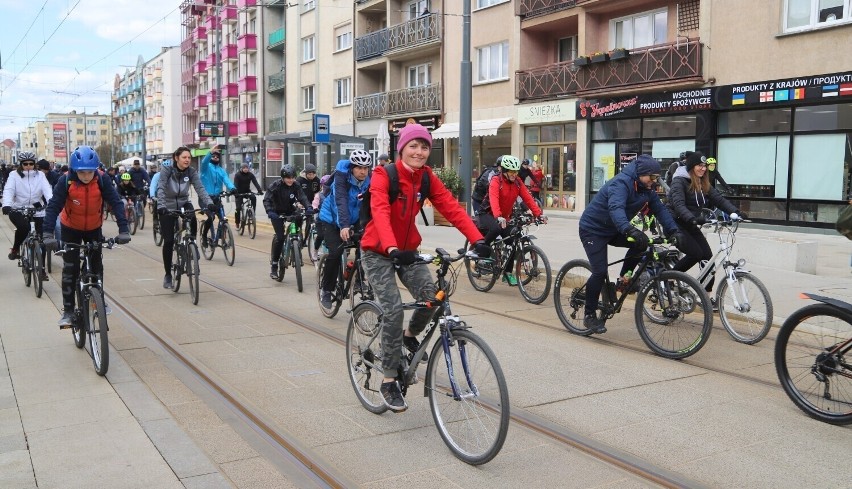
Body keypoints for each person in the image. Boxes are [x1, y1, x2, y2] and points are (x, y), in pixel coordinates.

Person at [360, 123, 490, 412]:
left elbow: (452, 208)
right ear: (402, 148)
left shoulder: (427, 178)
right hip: (378, 251)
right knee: (392, 309)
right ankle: (389, 378)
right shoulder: (384, 175)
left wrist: (477, 239)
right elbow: (380, 211)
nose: (419, 152)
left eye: (424, 146)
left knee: (434, 295)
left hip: (408, 251)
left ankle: (408, 337)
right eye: (413, 146)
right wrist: (392, 248)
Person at [578, 154, 681, 335]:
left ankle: (624, 279)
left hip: (614, 228)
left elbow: (660, 209)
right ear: (641, 173)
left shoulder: (646, 188)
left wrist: (674, 231)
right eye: (652, 177)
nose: (654, 181)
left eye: (657, 178)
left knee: (641, 244)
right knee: (600, 271)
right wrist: (628, 229)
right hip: (593, 229)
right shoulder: (621, 183)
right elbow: (616, 208)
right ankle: (589, 314)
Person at [42, 146, 131, 328]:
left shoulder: (102, 179)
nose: (86, 176)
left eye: (90, 172)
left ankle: (98, 298)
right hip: (70, 228)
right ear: (75, 170)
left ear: (95, 169)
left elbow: (115, 202)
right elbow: (53, 208)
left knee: (96, 264)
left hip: (93, 228)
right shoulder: (65, 181)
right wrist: (47, 233)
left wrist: (123, 229)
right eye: (82, 172)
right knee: (70, 267)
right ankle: (68, 310)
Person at [667, 151, 743, 301]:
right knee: (696, 253)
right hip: (675, 224)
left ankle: (706, 297)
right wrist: (692, 218)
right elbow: (678, 205)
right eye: (699, 166)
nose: (703, 169)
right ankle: (667, 278)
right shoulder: (679, 182)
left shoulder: (702, 183)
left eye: (704, 166)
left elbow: (719, 200)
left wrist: (736, 212)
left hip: (691, 223)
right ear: (691, 166)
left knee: (707, 258)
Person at [478, 155, 547, 286]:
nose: (514, 174)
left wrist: (539, 214)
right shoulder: (496, 180)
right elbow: (493, 199)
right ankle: (483, 252)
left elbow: (528, 199)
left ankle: (507, 274)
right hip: (487, 213)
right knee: (495, 228)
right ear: (504, 170)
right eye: (511, 171)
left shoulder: (517, 182)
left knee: (514, 238)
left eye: (515, 171)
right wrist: (498, 216)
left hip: (504, 217)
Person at [157, 146, 216, 289]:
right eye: (184, 157)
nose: (187, 160)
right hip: (167, 205)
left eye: (189, 158)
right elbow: (161, 187)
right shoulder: (167, 170)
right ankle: (168, 275)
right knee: (169, 241)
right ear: (176, 158)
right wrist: (161, 205)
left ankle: (192, 245)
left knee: (193, 217)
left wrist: (209, 203)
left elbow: (200, 188)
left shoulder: (191, 172)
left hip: (183, 202)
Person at [317, 151, 372, 304]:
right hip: (331, 218)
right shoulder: (342, 180)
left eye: (366, 168)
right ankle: (326, 290)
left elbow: (373, 205)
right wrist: (344, 226)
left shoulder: (369, 181)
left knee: (365, 248)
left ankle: (359, 280)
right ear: (352, 168)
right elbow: (340, 203)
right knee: (336, 252)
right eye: (359, 168)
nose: (363, 171)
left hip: (353, 219)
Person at [264, 164, 312, 279]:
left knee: (300, 217)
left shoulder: (296, 185)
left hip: (290, 211)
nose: (291, 180)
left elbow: (302, 197)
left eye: (292, 177)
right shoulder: (275, 185)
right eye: (288, 178)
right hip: (276, 213)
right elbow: (267, 199)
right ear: (283, 177)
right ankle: (274, 266)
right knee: (280, 238)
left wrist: (309, 207)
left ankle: (296, 239)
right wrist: (270, 211)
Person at [2, 151, 53, 261]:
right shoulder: (13, 175)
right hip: (18, 208)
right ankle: (15, 249)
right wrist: (6, 204)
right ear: (21, 164)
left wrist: (51, 202)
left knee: (41, 240)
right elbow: (9, 190)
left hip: (37, 209)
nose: (28, 166)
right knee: (24, 227)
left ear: (35, 164)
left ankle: (42, 268)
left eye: (31, 163)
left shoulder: (41, 175)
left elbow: (47, 190)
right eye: (25, 164)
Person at [199, 146, 236, 246]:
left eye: (217, 157)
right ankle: (204, 237)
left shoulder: (221, 170)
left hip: (216, 198)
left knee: (223, 218)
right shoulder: (206, 168)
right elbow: (203, 163)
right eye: (214, 156)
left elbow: (226, 180)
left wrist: (232, 188)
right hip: (205, 198)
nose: (215, 158)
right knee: (211, 217)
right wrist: (210, 152)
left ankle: (219, 238)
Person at [233, 162, 263, 228]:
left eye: (247, 168)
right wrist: (236, 193)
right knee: (238, 208)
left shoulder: (250, 175)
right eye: (244, 168)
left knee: (253, 197)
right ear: (241, 168)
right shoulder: (237, 175)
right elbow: (235, 184)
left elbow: (255, 182)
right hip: (239, 193)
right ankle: (237, 222)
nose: (246, 169)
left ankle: (252, 213)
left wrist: (259, 190)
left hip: (247, 191)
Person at [296, 163, 321, 242]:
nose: (311, 176)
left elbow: (318, 192)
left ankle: (305, 240)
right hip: (300, 204)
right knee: (298, 218)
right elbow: (295, 192)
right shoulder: (299, 180)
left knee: (309, 222)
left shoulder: (317, 180)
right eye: (309, 174)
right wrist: (297, 203)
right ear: (306, 173)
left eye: (313, 174)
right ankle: (298, 234)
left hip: (310, 204)